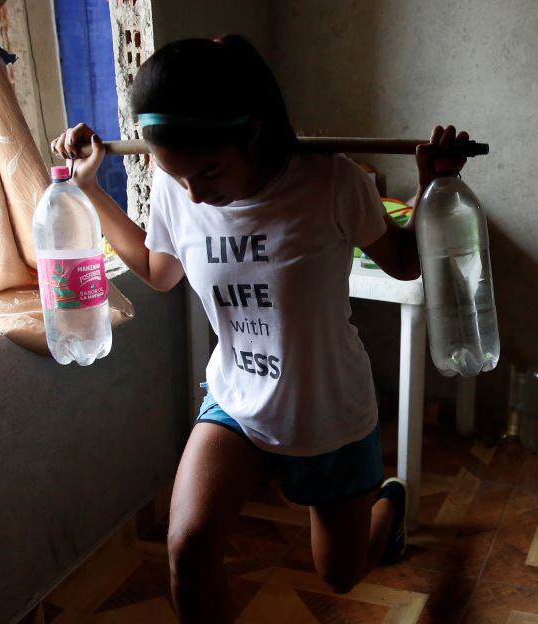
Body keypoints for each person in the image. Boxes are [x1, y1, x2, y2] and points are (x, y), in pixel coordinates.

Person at [51, 34, 470, 623]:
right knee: (188, 549)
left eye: (211, 170)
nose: (198, 193)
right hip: (236, 400)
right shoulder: (179, 188)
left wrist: (432, 186)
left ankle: (388, 509)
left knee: (342, 575)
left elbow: (405, 263)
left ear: (253, 132)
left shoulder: (331, 182)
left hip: (329, 411)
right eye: (181, 176)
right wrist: (90, 187)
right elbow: (157, 270)